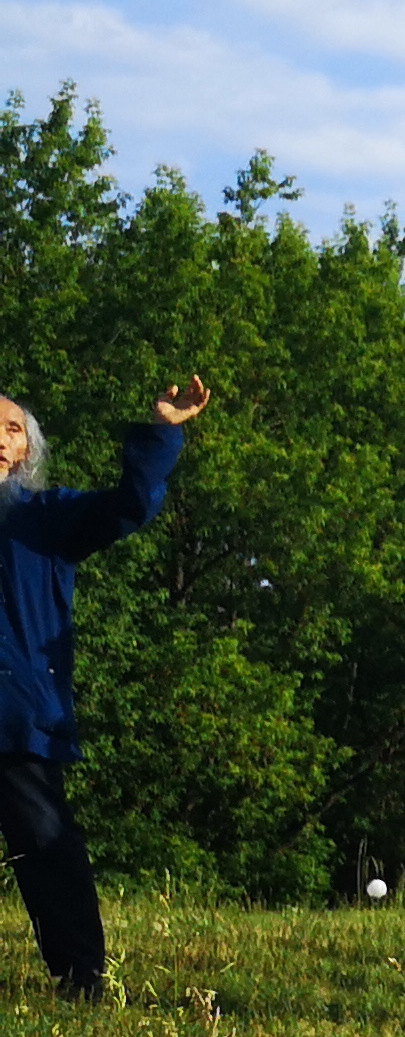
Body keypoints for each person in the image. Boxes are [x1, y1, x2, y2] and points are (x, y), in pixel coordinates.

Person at [0, 374, 211, 999]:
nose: (1, 438)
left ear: (26, 454)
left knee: (46, 845)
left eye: (13, 429)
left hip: (16, 715)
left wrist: (160, 435)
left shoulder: (47, 518)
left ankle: (81, 979)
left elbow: (130, 505)